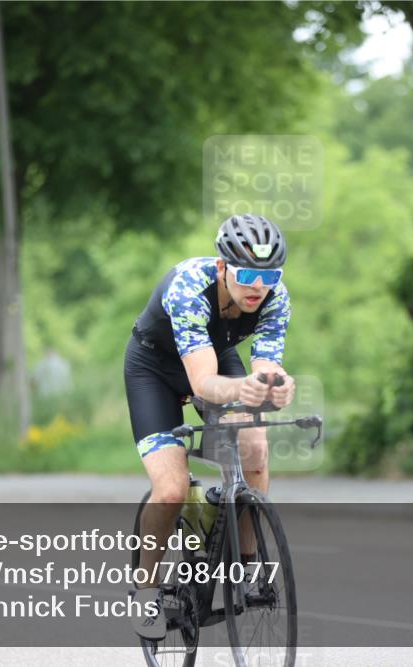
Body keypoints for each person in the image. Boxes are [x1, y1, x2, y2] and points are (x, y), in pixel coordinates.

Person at [124, 213, 296, 639]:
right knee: (171, 488)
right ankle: (146, 586)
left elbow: (266, 365)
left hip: (216, 357)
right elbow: (202, 383)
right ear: (222, 268)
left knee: (255, 446)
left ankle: (248, 565)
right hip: (155, 370)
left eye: (269, 274)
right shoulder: (188, 286)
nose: (259, 285)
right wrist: (245, 387)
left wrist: (275, 384)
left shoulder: (275, 296)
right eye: (248, 274)